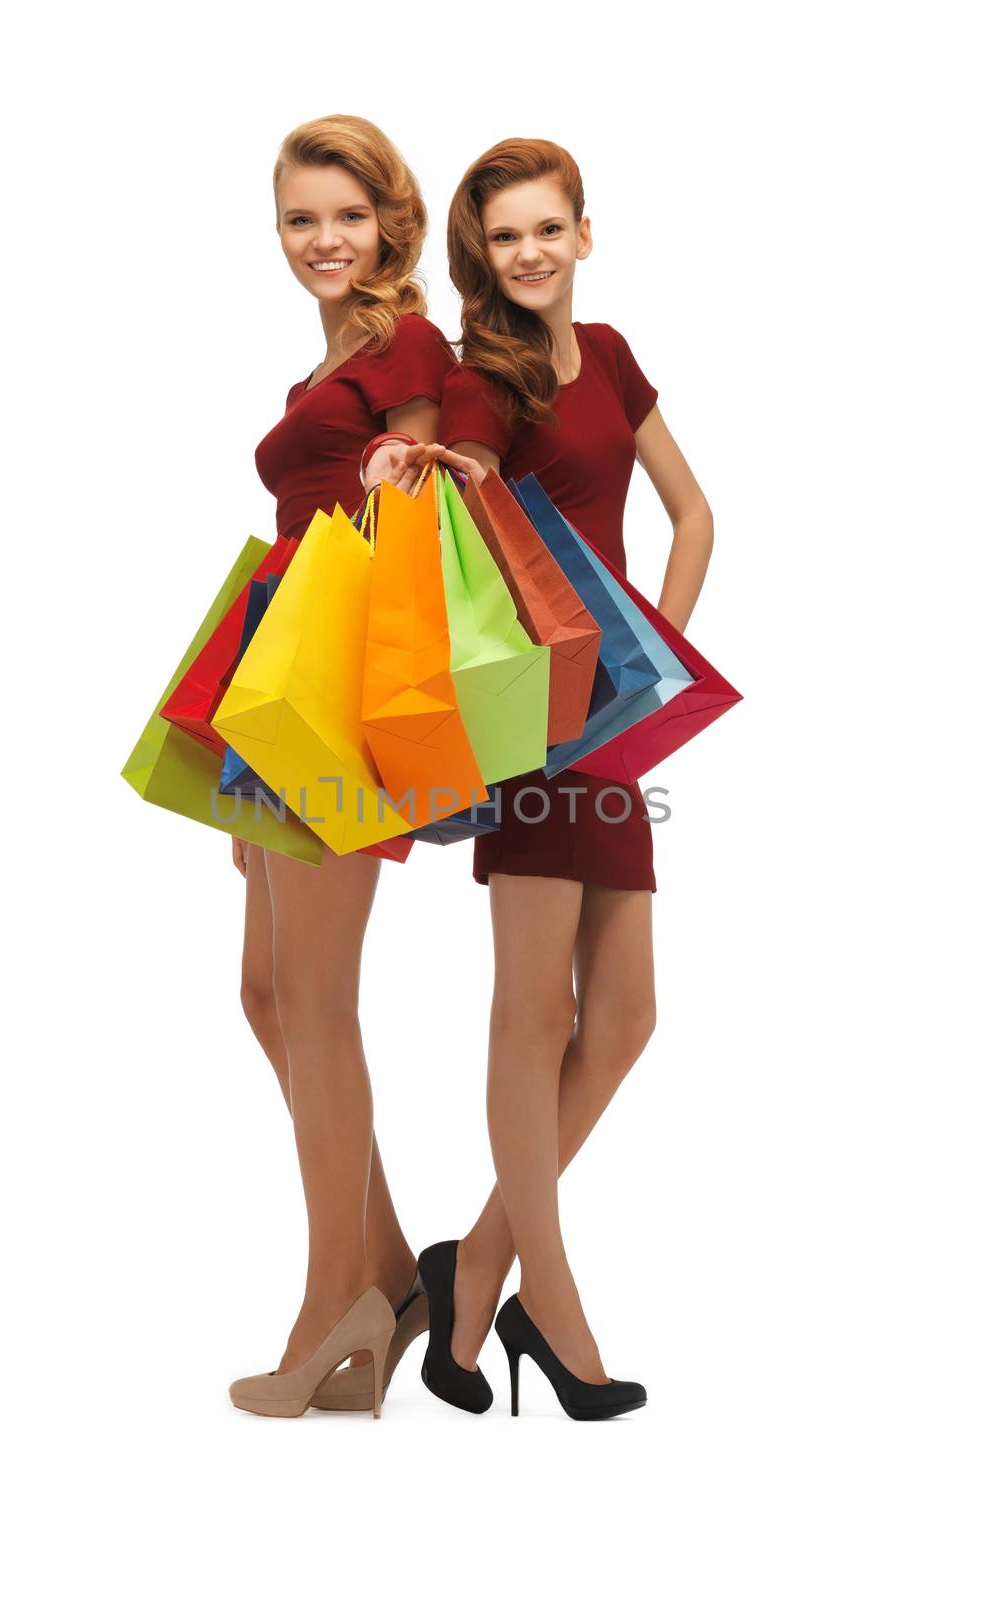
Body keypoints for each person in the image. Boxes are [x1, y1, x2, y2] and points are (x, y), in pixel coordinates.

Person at [416, 137, 715, 1419]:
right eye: (503, 237)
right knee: (532, 1017)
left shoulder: (615, 355)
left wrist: (651, 652)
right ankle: (552, 1296)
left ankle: (474, 1268)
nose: (527, 253)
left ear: (583, 234)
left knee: (626, 1019)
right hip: (537, 731)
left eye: (548, 229)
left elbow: (692, 515)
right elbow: (464, 505)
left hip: (615, 723)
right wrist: (445, 464)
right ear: (478, 256)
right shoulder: (485, 385)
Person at [227, 115, 454, 1418]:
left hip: (340, 690)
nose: (322, 240)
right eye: (300, 218)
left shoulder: (406, 348)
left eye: (345, 217)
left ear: (389, 223)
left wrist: (400, 471)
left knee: (316, 999)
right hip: (275, 679)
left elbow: (421, 517)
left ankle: (333, 1308)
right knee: (264, 993)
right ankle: (382, 1270)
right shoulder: (332, 357)